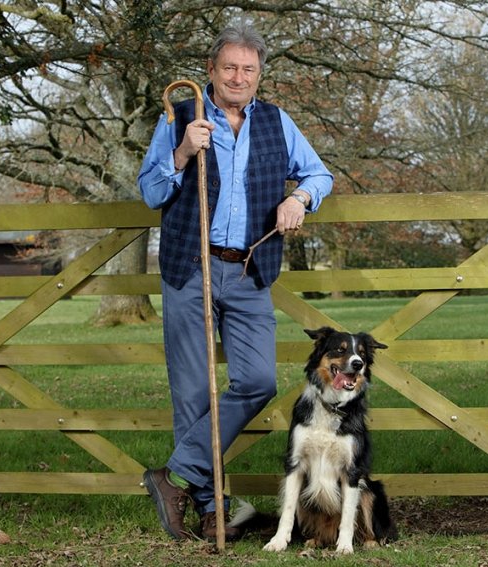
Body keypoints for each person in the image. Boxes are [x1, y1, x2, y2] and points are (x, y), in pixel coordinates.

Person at [137, 23, 333, 541]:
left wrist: (300, 199)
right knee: (193, 393)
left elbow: (319, 174)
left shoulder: (274, 121)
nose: (239, 77)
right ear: (212, 71)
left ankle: (174, 475)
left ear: (259, 75)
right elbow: (150, 192)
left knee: (257, 381)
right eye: (230, 68)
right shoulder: (181, 113)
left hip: (250, 269)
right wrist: (181, 153)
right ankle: (211, 510)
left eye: (249, 69)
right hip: (190, 266)